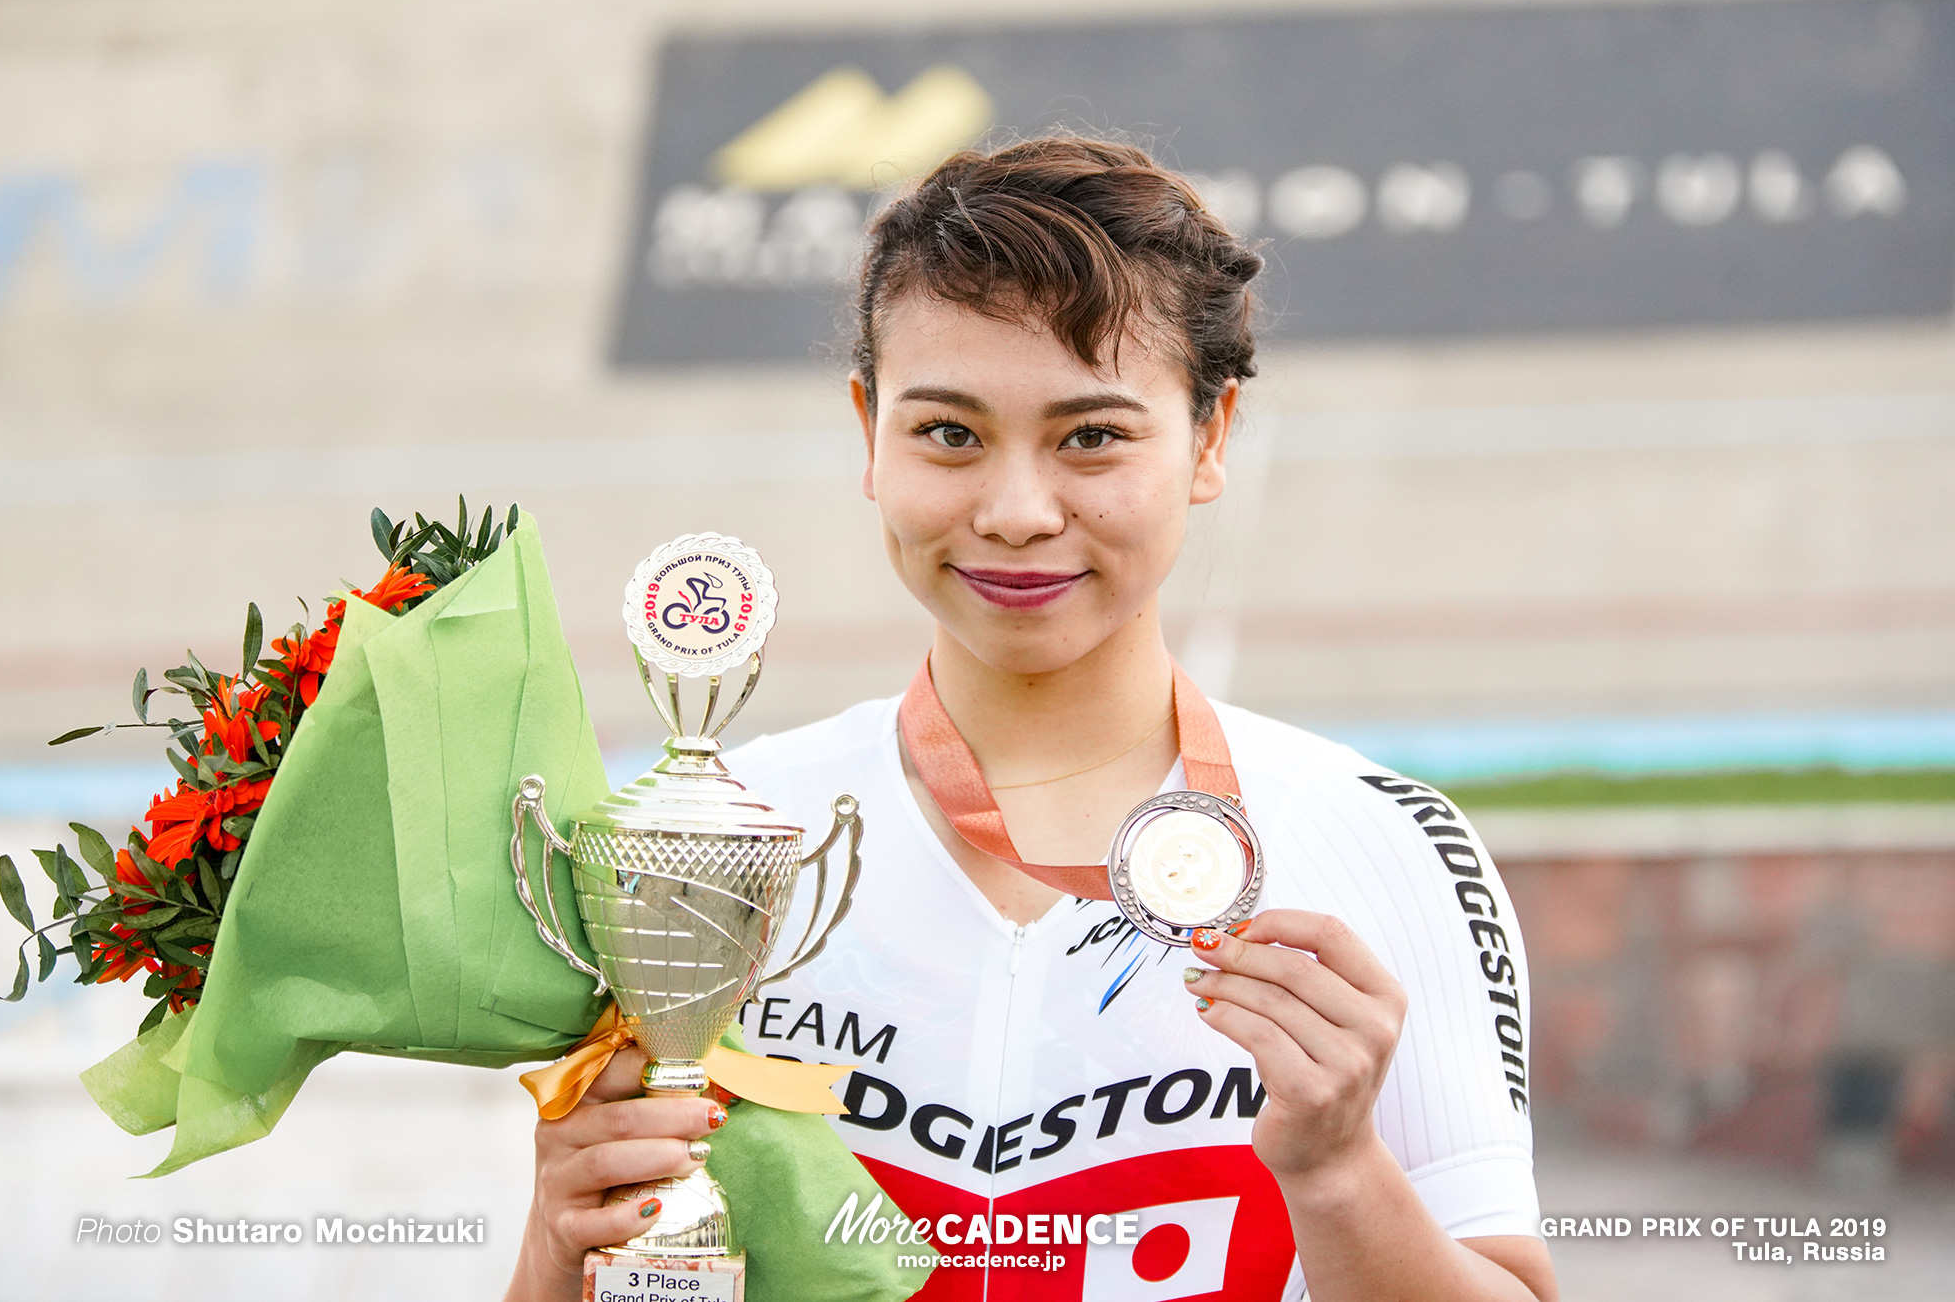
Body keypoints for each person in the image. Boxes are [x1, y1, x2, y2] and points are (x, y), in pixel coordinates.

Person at [505, 135, 1557, 1302]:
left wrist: (1338, 1168)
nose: (1015, 512)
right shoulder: (709, 845)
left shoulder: (1385, 842)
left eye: (1092, 436)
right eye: (948, 433)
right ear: (869, 430)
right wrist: (560, 1247)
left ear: (1210, 437)